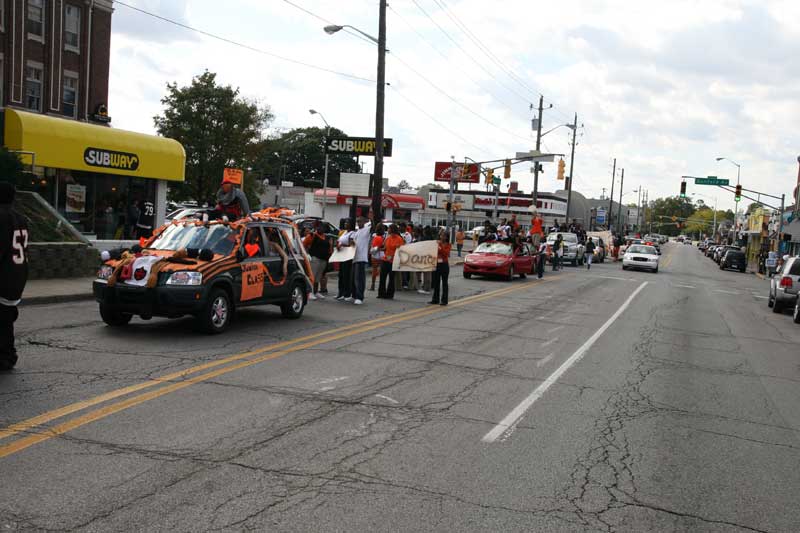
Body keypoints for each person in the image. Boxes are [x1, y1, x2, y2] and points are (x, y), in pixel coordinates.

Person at [0, 183, 28, 371]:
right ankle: (8, 355)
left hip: (3, 274)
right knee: (6, 318)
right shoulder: (21, 218)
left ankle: (6, 357)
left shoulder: (1, 217)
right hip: (18, 273)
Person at [303, 221, 332, 300]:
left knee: (318, 277)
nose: (321, 228)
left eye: (322, 227)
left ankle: (315, 292)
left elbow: (329, 248)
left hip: (323, 259)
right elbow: (303, 245)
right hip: (315, 258)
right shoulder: (312, 235)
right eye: (319, 227)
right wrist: (307, 254)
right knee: (312, 276)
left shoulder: (326, 237)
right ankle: (309, 292)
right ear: (316, 228)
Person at [378, 224, 404, 300]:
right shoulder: (388, 238)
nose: (387, 230)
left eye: (389, 228)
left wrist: (393, 256)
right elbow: (385, 248)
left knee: (391, 278)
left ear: (392, 229)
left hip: (393, 261)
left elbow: (400, 250)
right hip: (385, 260)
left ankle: (389, 294)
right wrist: (379, 249)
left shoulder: (399, 239)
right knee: (382, 277)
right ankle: (381, 293)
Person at [350, 217, 372, 305]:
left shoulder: (367, 230)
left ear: (364, 222)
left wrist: (372, 216)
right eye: (357, 221)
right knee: (354, 279)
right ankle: (354, 295)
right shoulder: (356, 232)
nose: (358, 223)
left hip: (361, 258)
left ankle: (360, 297)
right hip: (354, 258)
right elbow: (352, 243)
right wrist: (351, 243)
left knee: (359, 279)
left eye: (360, 221)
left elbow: (374, 226)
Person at [335, 220, 356, 302]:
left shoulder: (352, 233)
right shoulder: (344, 232)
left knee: (346, 275)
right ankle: (340, 292)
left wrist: (342, 245)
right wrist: (338, 245)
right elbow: (339, 241)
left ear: (351, 225)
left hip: (347, 256)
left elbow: (351, 245)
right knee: (341, 275)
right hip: (341, 255)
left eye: (347, 223)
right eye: (345, 223)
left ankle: (347, 293)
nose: (345, 224)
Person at [429, 232, 452, 306]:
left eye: (443, 236)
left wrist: (440, 247)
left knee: (444, 283)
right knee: (436, 282)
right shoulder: (437, 243)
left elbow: (446, 253)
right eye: (441, 235)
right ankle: (435, 299)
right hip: (437, 264)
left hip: (444, 265)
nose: (441, 237)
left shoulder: (448, 245)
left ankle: (444, 300)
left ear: (446, 237)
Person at [370, 225, 385, 291]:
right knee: (381, 271)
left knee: (374, 270)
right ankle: (381, 286)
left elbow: (372, 245)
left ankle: (372, 285)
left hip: (375, 255)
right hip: (382, 255)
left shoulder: (374, 237)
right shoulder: (384, 237)